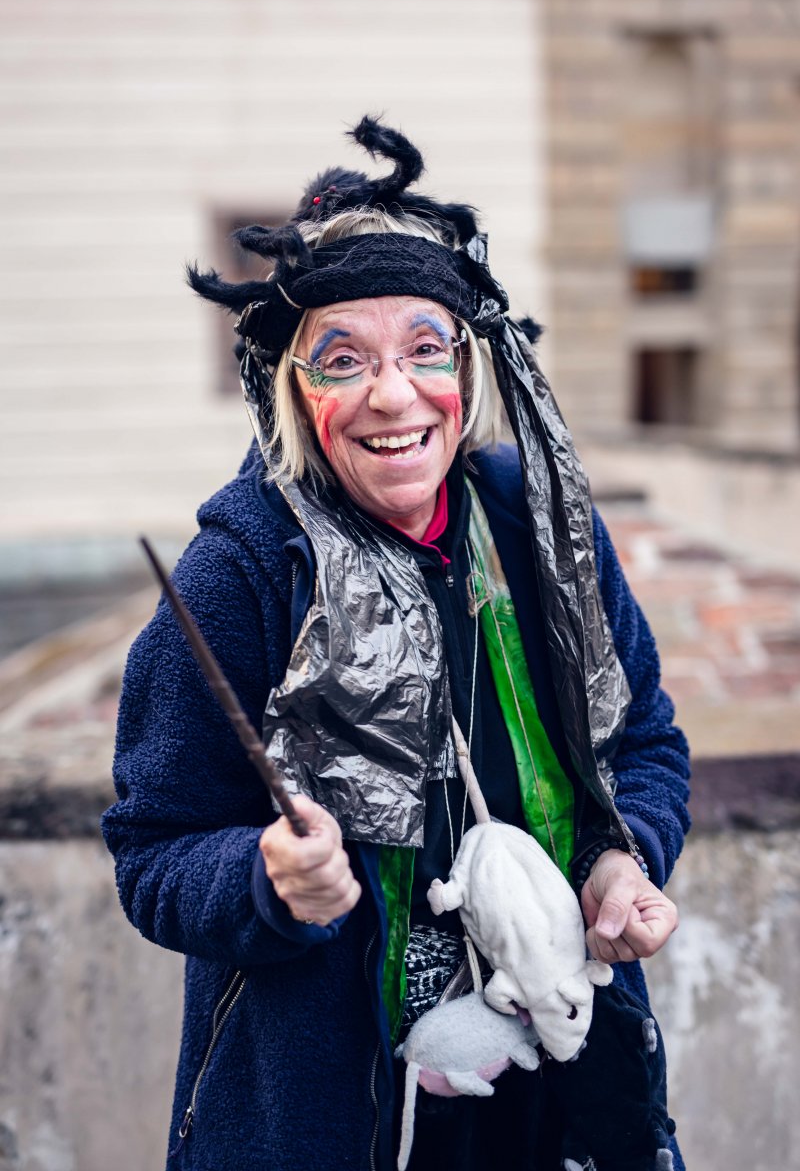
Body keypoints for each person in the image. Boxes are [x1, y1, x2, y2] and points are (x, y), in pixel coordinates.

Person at [102, 117, 690, 1171]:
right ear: (293, 390)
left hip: (563, 1087)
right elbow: (153, 852)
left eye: (425, 350)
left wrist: (620, 856)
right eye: (343, 360)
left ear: (466, 368)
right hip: (334, 1120)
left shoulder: (541, 530)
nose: (393, 393)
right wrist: (264, 879)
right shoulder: (243, 574)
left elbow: (643, 740)